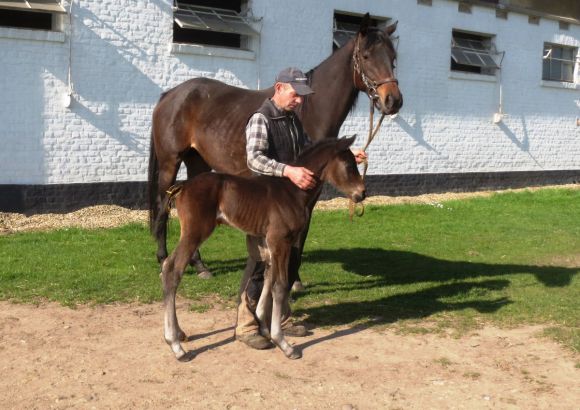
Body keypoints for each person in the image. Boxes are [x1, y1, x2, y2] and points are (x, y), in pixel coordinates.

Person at [235, 67, 367, 349]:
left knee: (288, 259)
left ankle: (278, 317)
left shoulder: (292, 120)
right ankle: (245, 325)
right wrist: (288, 171)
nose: (299, 101)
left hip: (291, 205)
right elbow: (253, 160)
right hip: (264, 203)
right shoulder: (262, 118)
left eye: (302, 97)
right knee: (259, 263)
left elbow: (311, 151)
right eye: (296, 95)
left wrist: (347, 153)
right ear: (279, 88)